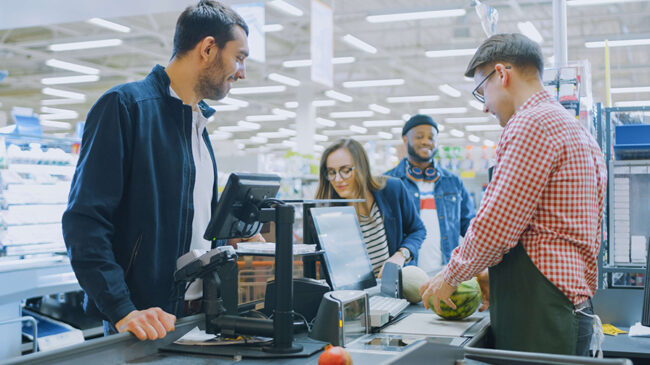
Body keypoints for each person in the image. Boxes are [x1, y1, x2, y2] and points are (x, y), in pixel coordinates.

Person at [62, 1, 251, 341]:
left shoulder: (197, 125)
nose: (242, 72)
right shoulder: (125, 107)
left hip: (197, 318)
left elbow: (188, 227)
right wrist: (122, 309)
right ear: (208, 48)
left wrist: (230, 241)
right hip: (143, 323)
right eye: (239, 57)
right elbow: (84, 222)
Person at [420, 33, 607, 356]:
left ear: (502, 74)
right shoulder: (573, 127)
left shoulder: (530, 124)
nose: (485, 108)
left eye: (482, 92)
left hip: (541, 316)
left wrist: (450, 277)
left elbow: (496, 225)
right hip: (567, 306)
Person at [315, 138, 426, 277]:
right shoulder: (329, 212)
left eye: (345, 170)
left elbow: (417, 230)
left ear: (361, 168)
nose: (338, 179)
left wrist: (401, 255)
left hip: (392, 289)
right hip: (351, 293)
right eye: (331, 172)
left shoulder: (392, 190)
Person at [385, 114, 475, 274]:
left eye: (431, 137)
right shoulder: (389, 182)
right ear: (405, 140)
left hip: (447, 273)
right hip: (406, 273)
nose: (426, 141)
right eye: (419, 136)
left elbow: (469, 225)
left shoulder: (452, 181)